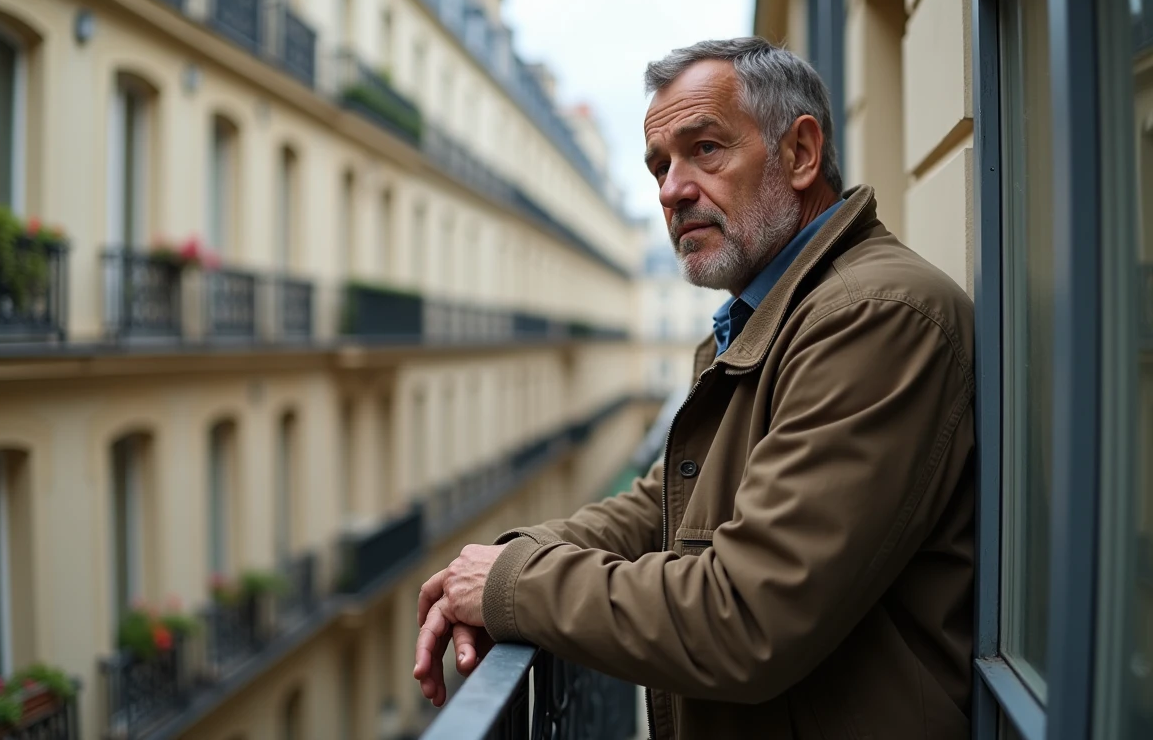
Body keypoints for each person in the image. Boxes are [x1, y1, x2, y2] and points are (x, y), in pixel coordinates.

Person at [413, 37, 975, 739]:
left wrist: (512, 587)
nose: (672, 190)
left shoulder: (873, 315)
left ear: (800, 154)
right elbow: (660, 506)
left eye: (704, 148)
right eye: (659, 166)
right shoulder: (758, 320)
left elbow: (747, 615)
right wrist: (504, 559)